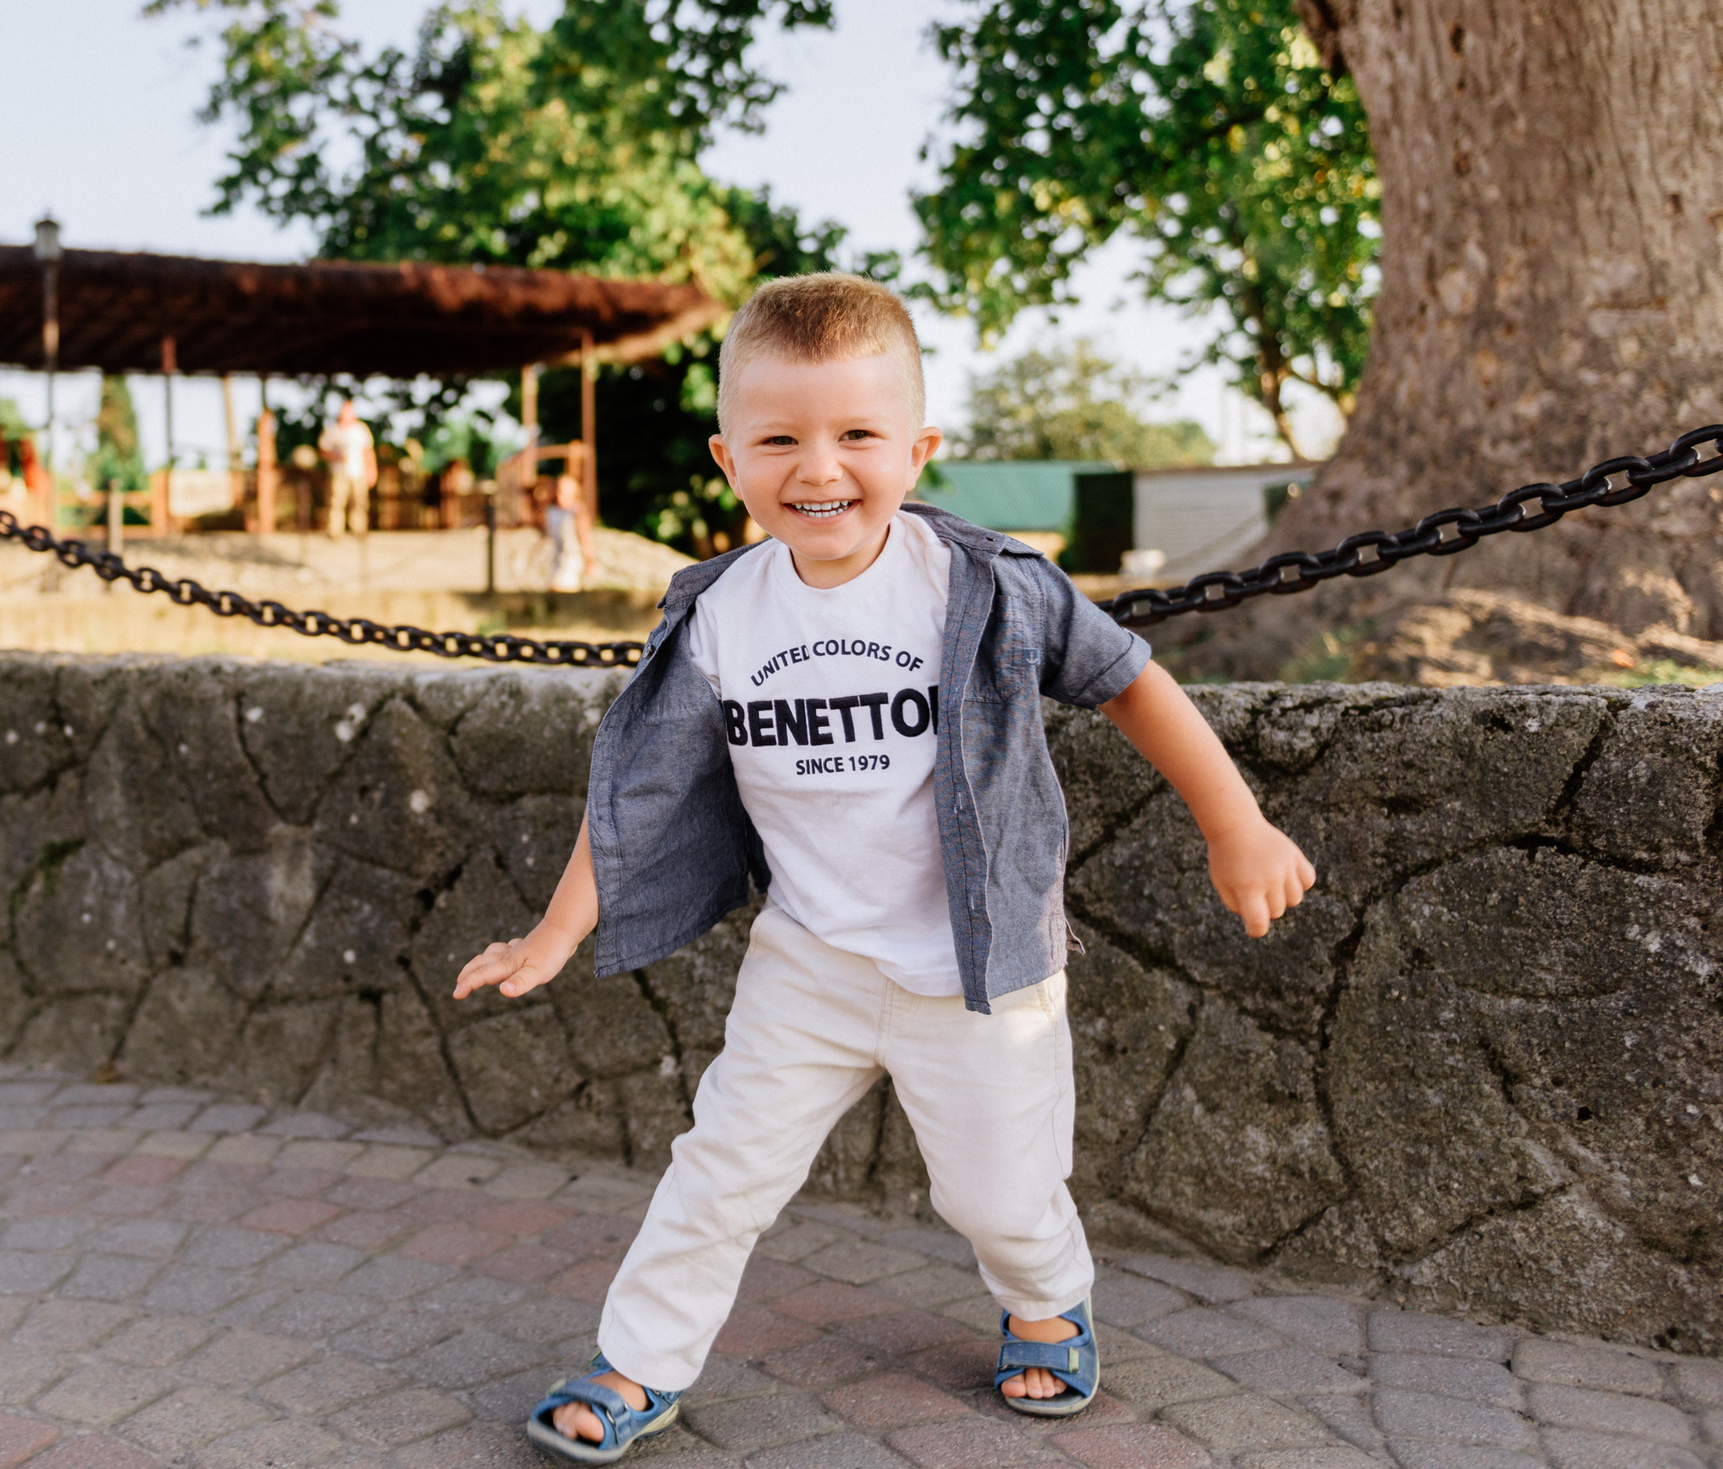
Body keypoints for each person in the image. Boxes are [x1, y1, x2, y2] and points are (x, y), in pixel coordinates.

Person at [453, 273, 1315, 1457]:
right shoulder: (717, 615)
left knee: (997, 1198)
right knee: (718, 1171)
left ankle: (1045, 1296)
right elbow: (637, 793)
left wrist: (1238, 826)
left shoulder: (981, 586)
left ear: (917, 447)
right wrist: (555, 932)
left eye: (857, 434)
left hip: (975, 968)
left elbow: (1128, 677)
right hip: (805, 960)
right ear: (728, 458)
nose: (819, 468)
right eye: (780, 439)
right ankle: (636, 1362)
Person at [321, 399, 375, 537]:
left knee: (359, 501)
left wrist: (371, 470)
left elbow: (368, 451)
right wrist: (335, 456)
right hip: (339, 472)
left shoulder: (360, 429)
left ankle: (358, 529)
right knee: (336, 501)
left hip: (358, 472)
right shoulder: (332, 430)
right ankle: (335, 531)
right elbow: (323, 450)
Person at [543, 471, 595, 592]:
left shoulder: (577, 512)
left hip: (571, 563)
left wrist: (590, 561)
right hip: (556, 563)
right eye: (558, 490)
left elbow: (585, 538)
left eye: (562, 491)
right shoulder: (551, 512)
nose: (558, 494)